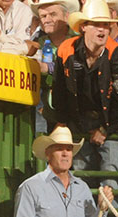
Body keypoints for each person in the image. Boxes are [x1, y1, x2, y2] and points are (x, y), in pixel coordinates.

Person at [54, 0, 118, 217]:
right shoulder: (66, 50)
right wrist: (66, 126)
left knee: (110, 185)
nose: (103, 30)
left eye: (107, 26)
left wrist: (105, 129)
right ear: (83, 27)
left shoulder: (117, 54)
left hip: (108, 128)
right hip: (78, 129)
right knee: (78, 190)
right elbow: (59, 93)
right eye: (98, 25)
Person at [31, 0, 80, 133]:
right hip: (47, 116)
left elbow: (79, 67)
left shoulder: (79, 40)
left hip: (77, 115)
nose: (47, 19)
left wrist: (49, 68)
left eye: (52, 14)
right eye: (43, 16)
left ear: (66, 16)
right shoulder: (37, 43)